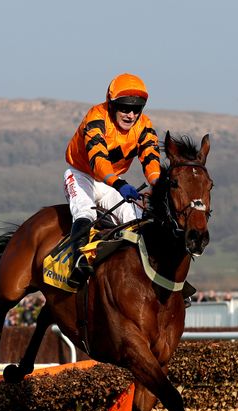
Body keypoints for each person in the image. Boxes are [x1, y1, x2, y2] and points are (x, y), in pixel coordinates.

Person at [63, 73, 161, 288]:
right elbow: (98, 160)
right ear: (112, 105)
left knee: (135, 218)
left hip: (112, 182)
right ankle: (77, 260)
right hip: (82, 175)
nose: (131, 115)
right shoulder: (96, 118)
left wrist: (158, 184)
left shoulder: (144, 126)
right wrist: (119, 184)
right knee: (84, 211)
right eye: (125, 108)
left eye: (137, 109)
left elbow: (151, 157)